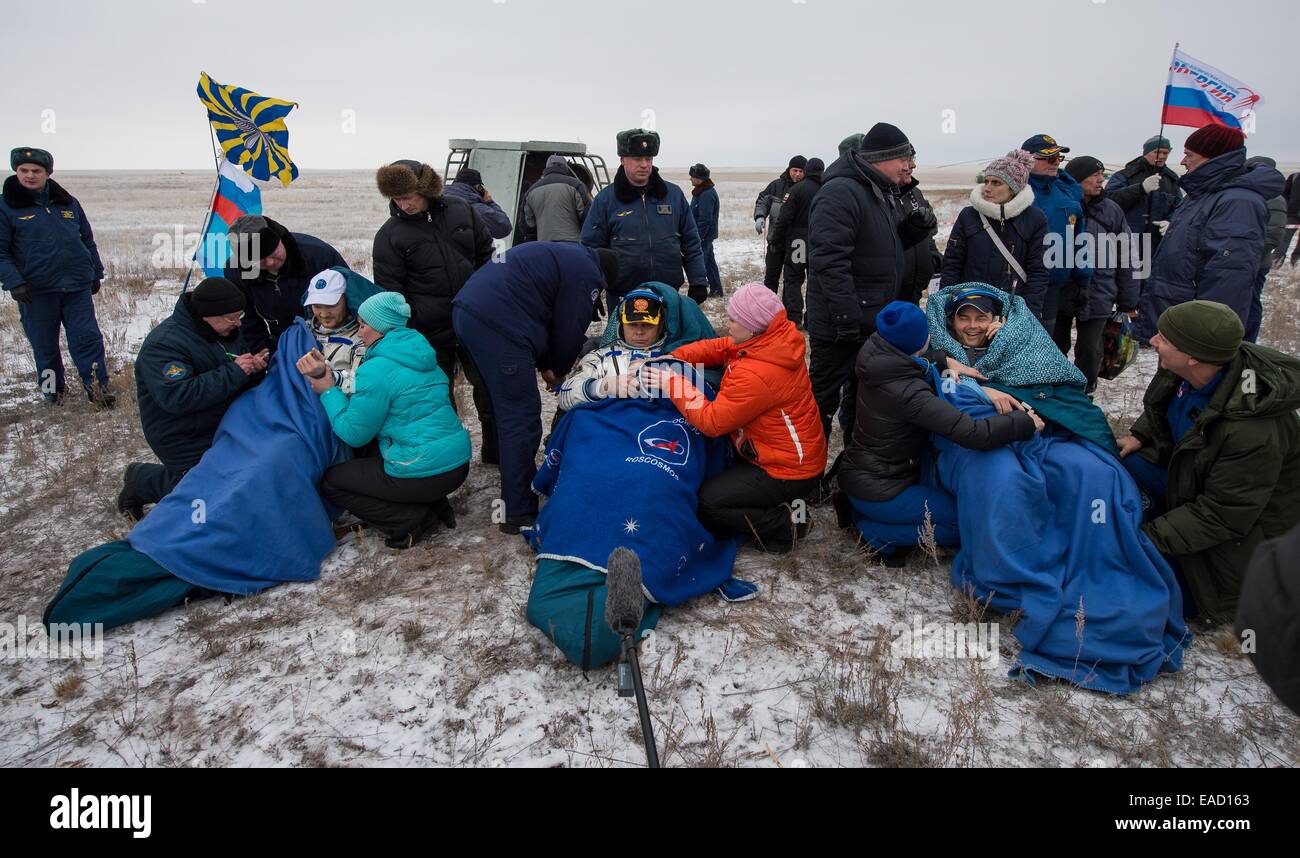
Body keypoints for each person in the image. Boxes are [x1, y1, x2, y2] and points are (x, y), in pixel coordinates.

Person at [1118, 300, 1300, 625]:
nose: (1154, 341)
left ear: (1192, 357)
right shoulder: (1196, 369)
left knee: (1139, 585)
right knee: (1120, 465)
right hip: (1194, 486)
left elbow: (1222, 515)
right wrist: (1141, 434)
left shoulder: (1252, 430)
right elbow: (1165, 405)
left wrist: (1144, 539)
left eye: (1164, 338)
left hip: (1239, 541)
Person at [836, 301, 1042, 565]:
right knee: (964, 518)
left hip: (866, 475)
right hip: (882, 491)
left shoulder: (877, 356)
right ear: (919, 342)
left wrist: (942, 361)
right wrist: (1022, 422)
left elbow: (911, 363)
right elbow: (972, 432)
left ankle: (863, 512)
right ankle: (875, 533)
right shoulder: (908, 393)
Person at [641, 283, 827, 552]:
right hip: (787, 453)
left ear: (752, 327)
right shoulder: (770, 341)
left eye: (732, 319)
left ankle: (788, 525)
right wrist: (674, 358)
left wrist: (673, 382)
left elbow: (712, 422)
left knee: (709, 503)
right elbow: (719, 347)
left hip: (788, 469)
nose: (726, 324)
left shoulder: (756, 374)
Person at [452, 241, 619, 533]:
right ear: (604, 277)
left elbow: (542, 312)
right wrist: (558, 370)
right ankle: (517, 511)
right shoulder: (586, 272)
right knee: (521, 414)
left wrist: (545, 364)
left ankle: (496, 454)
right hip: (499, 323)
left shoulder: (566, 254)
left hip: (467, 311)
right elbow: (568, 328)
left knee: (498, 397)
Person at [299, 291, 471, 550]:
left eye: (363, 325)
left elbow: (353, 433)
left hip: (423, 471)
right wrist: (334, 378)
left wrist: (327, 390)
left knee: (333, 482)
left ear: (380, 328)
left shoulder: (376, 368)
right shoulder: (423, 355)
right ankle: (436, 503)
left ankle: (408, 521)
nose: (359, 333)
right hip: (457, 466)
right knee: (389, 449)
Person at [807, 122, 937, 442]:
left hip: (869, 320)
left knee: (863, 395)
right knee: (820, 400)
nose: (910, 166)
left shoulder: (877, 191)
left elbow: (878, 251)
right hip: (842, 326)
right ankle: (805, 473)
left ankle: (852, 464)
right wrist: (846, 318)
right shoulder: (841, 192)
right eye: (904, 158)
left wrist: (914, 232)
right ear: (882, 157)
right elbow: (828, 261)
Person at [373, 158, 496, 457]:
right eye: (397, 199)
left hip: (474, 322)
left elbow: (487, 256)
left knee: (490, 390)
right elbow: (392, 295)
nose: (404, 205)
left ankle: (497, 452)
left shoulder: (461, 210)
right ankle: (450, 457)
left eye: (409, 196)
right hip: (427, 333)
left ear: (426, 189)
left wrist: (485, 300)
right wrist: (412, 327)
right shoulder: (389, 236)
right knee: (437, 400)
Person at [118, 277, 267, 518]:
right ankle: (141, 481)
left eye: (239, 315)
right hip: (181, 432)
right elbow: (178, 396)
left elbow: (233, 363)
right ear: (207, 315)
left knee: (246, 475)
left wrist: (253, 368)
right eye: (231, 318)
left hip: (222, 420)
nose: (238, 324)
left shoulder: (224, 330)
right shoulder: (164, 345)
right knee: (209, 492)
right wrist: (235, 372)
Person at [1135, 126, 1285, 343]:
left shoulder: (1237, 202)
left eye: (1189, 155)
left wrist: (1204, 339)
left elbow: (1227, 277)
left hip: (1196, 329)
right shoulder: (1203, 194)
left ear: (1214, 158)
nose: (1183, 161)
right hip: (1179, 316)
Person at [1, 146, 113, 406]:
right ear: (16, 171)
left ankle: (98, 390)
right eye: (23, 170)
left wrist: (95, 271)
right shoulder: (6, 207)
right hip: (36, 292)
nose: (29, 175)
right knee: (45, 347)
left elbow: (86, 239)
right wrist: (14, 282)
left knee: (87, 339)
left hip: (76, 286)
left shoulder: (67, 202)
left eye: (36, 171)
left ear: (48, 173)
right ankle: (54, 394)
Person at [582, 128, 709, 310]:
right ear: (622, 160)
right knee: (624, 339)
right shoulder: (606, 200)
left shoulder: (673, 195)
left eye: (648, 159)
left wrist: (698, 281)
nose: (644, 165)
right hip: (623, 295)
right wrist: (591, 290)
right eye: (637, 159)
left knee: (669, 338)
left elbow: (691, 242)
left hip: (667, 294)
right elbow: (590, 250)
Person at [1054, 155, 1139, 392]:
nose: (1101, 179)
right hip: (1062, 290)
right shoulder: (1061, 206)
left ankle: (1084, 394)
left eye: (1101, 174)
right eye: (1094, 175)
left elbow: (1127, 254)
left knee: (1090, 350)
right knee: (1055, 345)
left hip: (1100, 290)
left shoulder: (1112, 210)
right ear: (1076, 179)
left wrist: (1128, 300)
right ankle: (1055, 391)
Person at [940, 150, 1048, 317]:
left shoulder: (1034, 219)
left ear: (1014, 188)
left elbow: (1038, 271)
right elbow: (952, 265)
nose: (987, 189)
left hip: (1013, 309)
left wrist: (1029, 314)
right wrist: (947, 304)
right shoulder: (969, 216)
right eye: (986, 181)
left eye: (996, 183)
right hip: (970, 307)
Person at [223, 214, 347, 356]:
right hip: (282, 343)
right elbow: (248, 322)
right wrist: (266, 355)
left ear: (280, 239)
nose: (270, 263)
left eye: (272, 252)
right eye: (259, 260)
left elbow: (351, 300)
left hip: (332, 339)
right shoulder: (237, 272)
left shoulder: (319, 255)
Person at [556, 287, 666, 410]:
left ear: (661, 326)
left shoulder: (674, 357)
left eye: (647, 325)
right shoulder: (601, 357)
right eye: (632, 325)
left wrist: (670, 383)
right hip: (609, 426)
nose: (639, 331)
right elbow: (564, 396)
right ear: (621, 324)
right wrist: (602, 386)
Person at [1022, 133, 1090, 327]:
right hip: (1020, 286)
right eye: (1048, 158)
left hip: (1054, 287)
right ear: (1027, 160)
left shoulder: (1068, 193)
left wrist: (1083, 280)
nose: (1055, 163)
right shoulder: (1014, 192)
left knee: (1048, 345)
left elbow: (1079, 239)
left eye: (1058, 158)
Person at [1104, 135, 1183, 256]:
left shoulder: (1171, 179)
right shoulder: (1125, 175)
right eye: (1157, 152)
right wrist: (1140, 189)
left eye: (1165, 152)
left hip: (1158, 244)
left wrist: (1170, 221)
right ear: (1146, 152)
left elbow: (1180, 207)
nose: (1162, 156)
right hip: (1127, 241)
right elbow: (1108, 200)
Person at [770, 157, 824, 326]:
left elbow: (784, 218)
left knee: (793, 279)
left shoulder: (797, 190)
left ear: (807, 170)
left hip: (798, 243)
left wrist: (776, 240)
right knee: (815, 280)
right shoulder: (827, 189)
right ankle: (812, 318)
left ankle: (793, 317)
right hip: (819, 241)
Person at [303, 268, 368, 394]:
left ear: (347, 300)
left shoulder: (362, 339)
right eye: (317, 306)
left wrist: (325, 375)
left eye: (331, 305)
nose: (324, 314)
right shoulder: (303, 330)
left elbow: (360, 386)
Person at [1245, 155, 1288, 344]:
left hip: (1256, 263)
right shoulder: (1250, 194)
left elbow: (1273, 236)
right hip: (1243, 260)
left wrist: (1245, 253)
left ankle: (1248, 341)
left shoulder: (1275, 199)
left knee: (1252, 304)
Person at [755, 156, 806, 291]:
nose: (798, 174)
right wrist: (760, 216)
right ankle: (769, 309)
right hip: (775, 241)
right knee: (771, 278)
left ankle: (790, 310)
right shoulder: (776, 185)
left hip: (797, 244)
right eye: (795, 170)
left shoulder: (806, 188)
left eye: (801, 171)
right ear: (789, 170)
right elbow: (763, 201)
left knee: (793, 280)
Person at [523, 155, 591, 243]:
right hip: (572, 244)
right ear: (565, 167)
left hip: (544, 244)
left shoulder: (531, 190)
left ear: (547, 168)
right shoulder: (576, 185)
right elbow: (587, 216)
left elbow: (528, 224)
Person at [443, 168, 513, 240]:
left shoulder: (435, 199)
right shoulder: (475, 209)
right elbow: (504, 228)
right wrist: (490, 202)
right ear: (478, 187)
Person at [688, 163, 722, 297]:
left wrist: (699, 236)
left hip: (704, 236)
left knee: (700, 263)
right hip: (702, 235)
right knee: (709, 263)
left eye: (692, 176)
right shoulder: (701, 191)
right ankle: (716, 289)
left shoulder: (707, 194)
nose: (690, 179)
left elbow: (705, 219)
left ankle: (700, 290)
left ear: (700, 178)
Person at [1277, 171, 1300, 267]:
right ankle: (1277, 261)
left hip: (1291, 213)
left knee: (1285, 239)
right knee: (1285, 238)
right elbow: (1284, 193)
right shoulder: (1294, 176)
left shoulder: (1294, 176)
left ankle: (1295, 261)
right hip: (1292, 214)